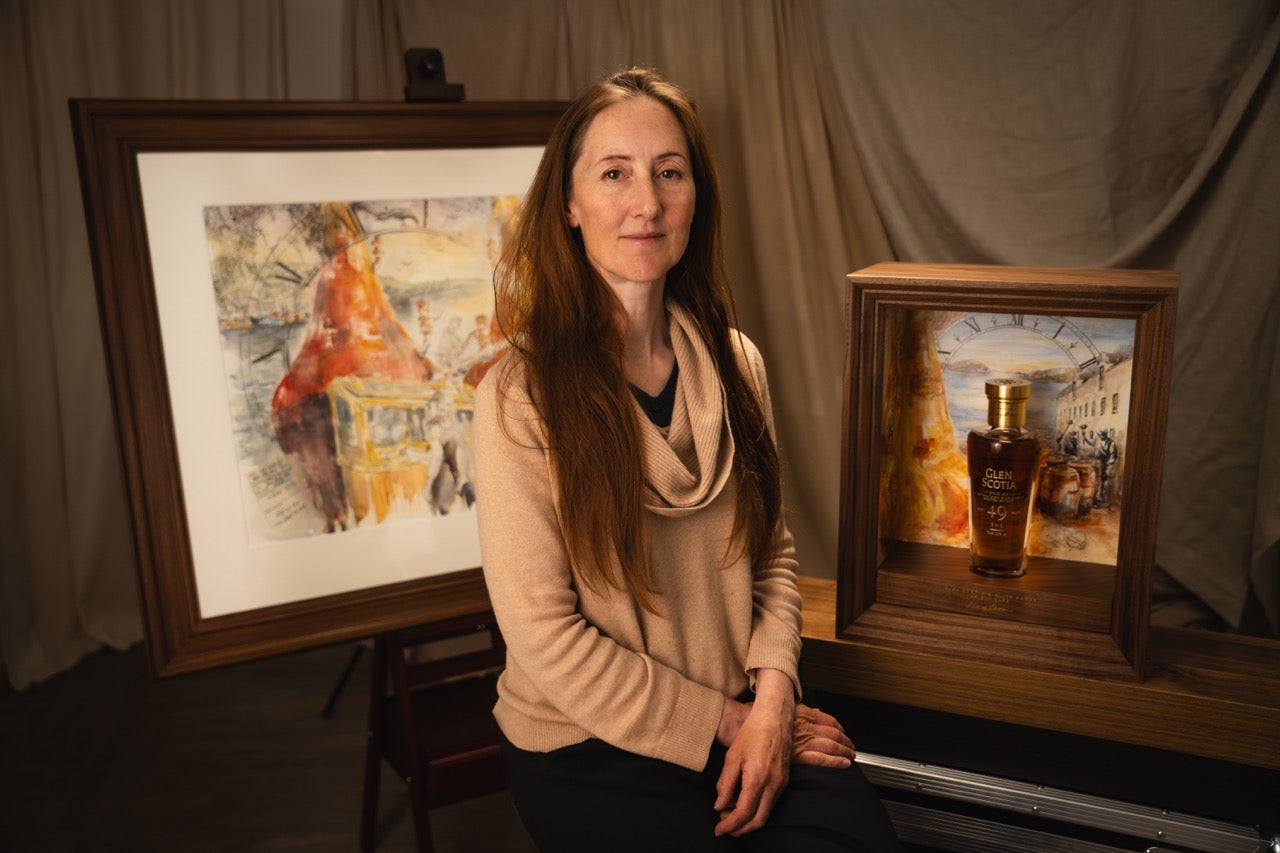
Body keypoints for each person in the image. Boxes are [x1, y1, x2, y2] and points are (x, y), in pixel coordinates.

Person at [472, 68, 903, 852]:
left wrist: (775, 701)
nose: (647, 202)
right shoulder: (517, 397)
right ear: (569, 205)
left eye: (669, 173)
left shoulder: (738, 365)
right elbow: (544, 635)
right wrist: (733, 722)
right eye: (614, 174)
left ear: (696, 197)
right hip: (587, 743)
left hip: (743, 709)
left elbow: (773, 556)